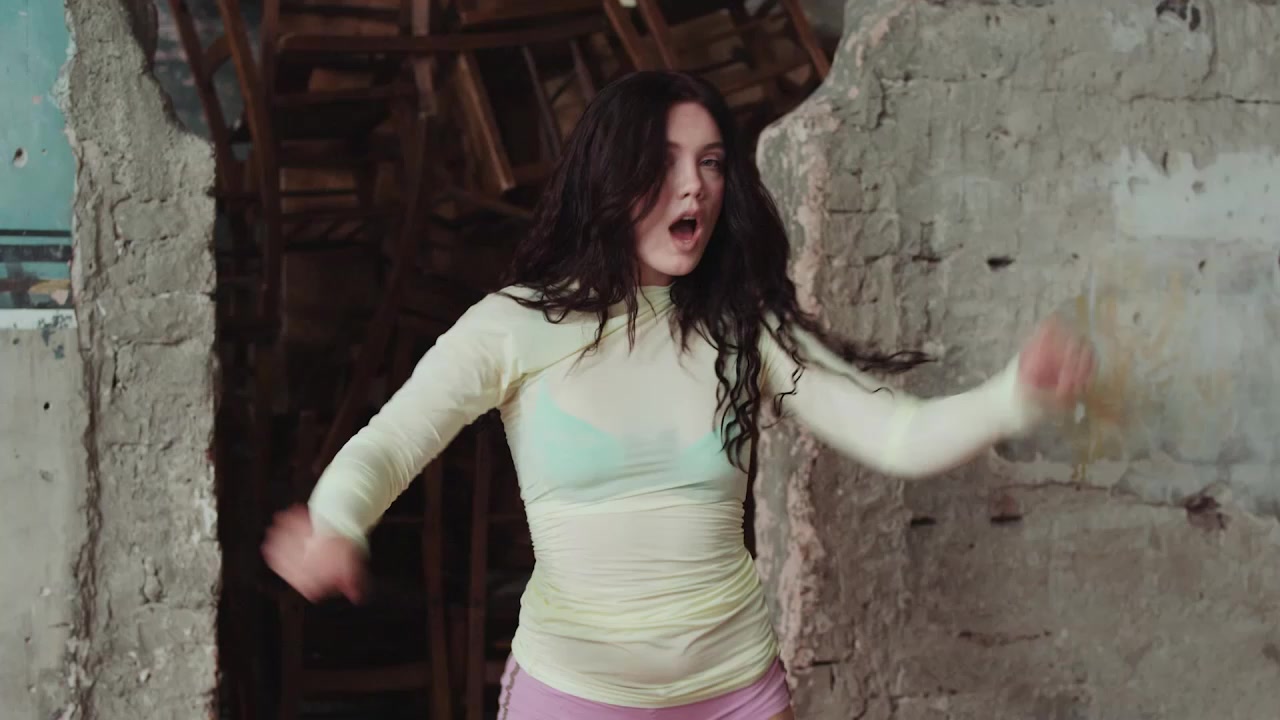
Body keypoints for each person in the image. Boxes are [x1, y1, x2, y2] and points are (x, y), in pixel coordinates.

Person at [262, 70, 1095, 720]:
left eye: (710, 162)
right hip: (574, 697)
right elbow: (390, 443)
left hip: (736, 694)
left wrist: (1014, 396)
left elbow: (894, 434)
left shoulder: (747, 326)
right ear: (611, 175)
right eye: (665, 162)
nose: (694, 185)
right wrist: (337, 522)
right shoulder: (513, 326)